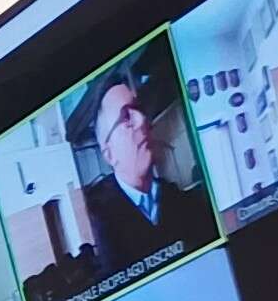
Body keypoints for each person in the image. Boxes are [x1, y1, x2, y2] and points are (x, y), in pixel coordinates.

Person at [79, 69, 214, 267]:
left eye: (138, 109)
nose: (142, 120)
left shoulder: (184, 203)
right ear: (109, 154)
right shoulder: (102, 219)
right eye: (126, 117)